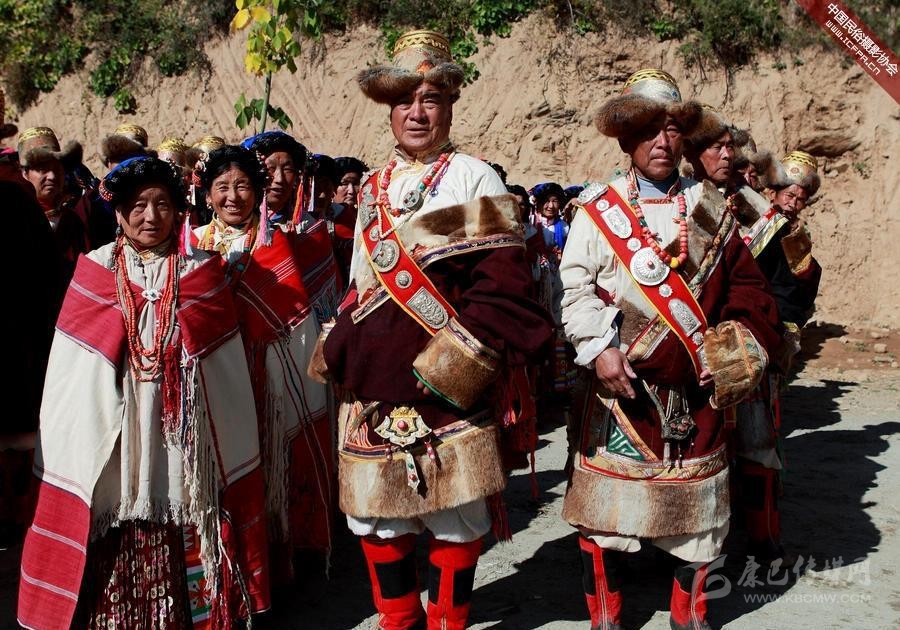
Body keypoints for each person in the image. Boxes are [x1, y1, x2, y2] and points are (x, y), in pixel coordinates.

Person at [310, 29, 553, 630]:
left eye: (431, 99)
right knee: (378, 517)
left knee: (456, 517)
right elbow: (363, 279)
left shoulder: (476, 178)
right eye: (405, 101)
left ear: (450, 106)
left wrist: (454, 368)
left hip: (447, 377)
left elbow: (502, 287)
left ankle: (448, 622)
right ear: (389, 110)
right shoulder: (372, 185)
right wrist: (343, 344)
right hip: (375, 380)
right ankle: (399, 620)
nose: (417, 114)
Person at [559, 69, 782, 630]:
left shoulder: (712, 208)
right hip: (620, 391)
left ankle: (690, 615)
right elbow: (575, 289)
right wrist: (600, 347)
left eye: (672, 129)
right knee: (605, 516)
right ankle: (606, 618)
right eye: (647, 130)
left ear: (685, 137)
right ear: (625, 139)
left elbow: (749, 294)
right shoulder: (598, 208)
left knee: (699, 521)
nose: (661, 142)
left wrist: (731, 353)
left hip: (697, 390)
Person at [18, 156, 270, 629]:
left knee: (182, 507)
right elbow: (73, 375)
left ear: (179, 212)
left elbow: (226, 376)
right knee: (114, 512)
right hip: (114, 435)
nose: (150, 217)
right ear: (118, 213)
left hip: (182, 434)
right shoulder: (95, 270)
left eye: (162, 205)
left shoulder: (201, 271)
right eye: (137, 206)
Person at [193, 145, 340, 589]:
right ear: (207, 194)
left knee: (269, 467)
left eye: (242, 186)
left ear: (257, 192)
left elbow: (295, 322)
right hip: (211, 378)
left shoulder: (275, 243)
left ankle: (275, 567)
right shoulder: (191, 243)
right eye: (222, 187)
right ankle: (225, 569)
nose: (232, 197)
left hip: (266, 377)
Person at [685, 109, 822, 562]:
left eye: (739, 158)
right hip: (687, 339)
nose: (732, 163)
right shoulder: (681, 203)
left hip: (747, 341)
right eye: (720, 150)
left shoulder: (766, 221)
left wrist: (773, 334)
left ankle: (762, 537)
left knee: (756, 441)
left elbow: (789, 289)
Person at [18, 126, 89, 285]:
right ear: (24, 173)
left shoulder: (73, 220)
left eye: (57, 169)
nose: (52, 176)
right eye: (42, 169)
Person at [240, 130, 308, 228]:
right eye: (269, 168)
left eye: (287, 169)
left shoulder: (308, 226)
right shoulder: (233, 222)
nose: (279, 179)